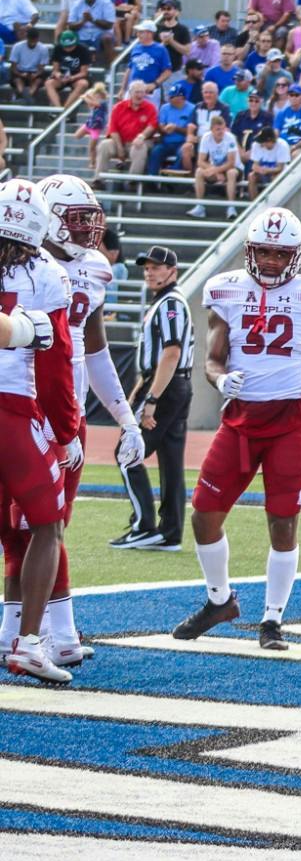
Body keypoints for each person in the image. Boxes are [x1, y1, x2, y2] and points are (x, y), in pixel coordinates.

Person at [172, 208, 301, 652]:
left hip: (287, 421)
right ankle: (220, 600)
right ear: (249, 250)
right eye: (263, 251)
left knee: (282, 522)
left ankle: (272, 620)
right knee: (204, 512)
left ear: (297, 254)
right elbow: (213, 359)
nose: (269, 260)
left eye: (279, 253)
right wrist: (219, 379)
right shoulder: (225, 289)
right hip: (240, 419)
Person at [4, 178, 142, 668]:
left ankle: (53, 632)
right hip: (35, 406)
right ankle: (34, 635)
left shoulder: (95, 268)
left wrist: (125, 419)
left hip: (63, 408)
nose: (88, 227)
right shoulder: (43, 270)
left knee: (50, 523)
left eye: (90, 216)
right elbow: (56, 355)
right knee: (27, 527)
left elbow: (95, 352)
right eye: (78, 217)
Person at [0, 180, 80, 684]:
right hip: (12, 410)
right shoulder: (48, 274)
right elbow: (56, 366)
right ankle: (30, 642)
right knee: (45, 526)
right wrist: (67, 430)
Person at [115, 245, 194, 553]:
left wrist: (151, 399)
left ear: (172, 271)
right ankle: (170, 532)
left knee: (127, 452)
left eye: (156, 267)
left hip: (167, 386)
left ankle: (144, 526)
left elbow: (171, 352)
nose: (149, 271)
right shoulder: (164, 301)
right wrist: (140, 391)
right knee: (171, 461)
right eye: (146, 267)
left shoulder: (170, 303)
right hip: (171, 384)